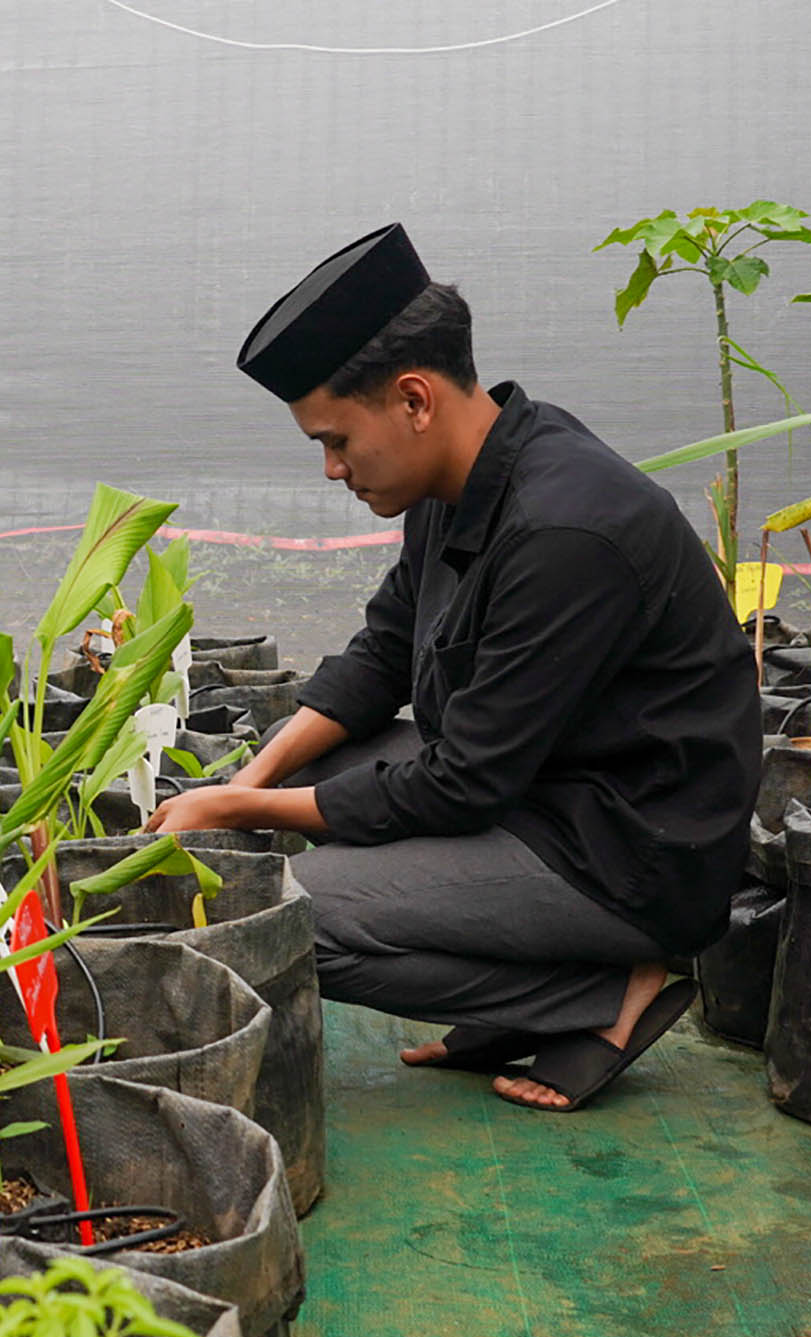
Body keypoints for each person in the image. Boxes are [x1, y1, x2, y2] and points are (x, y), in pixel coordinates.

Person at [148, 223, 761, 1112]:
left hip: (626, 848)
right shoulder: (459, 482)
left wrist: (238, 807)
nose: (330, 469)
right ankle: (547, 980)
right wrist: (252, 776)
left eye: (336, 440)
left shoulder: (563, 530)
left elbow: (463, 783)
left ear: (413, 400)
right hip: (542, 787)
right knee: (291, 782)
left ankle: (599, 993)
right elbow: (385, 651)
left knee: (273, 917)